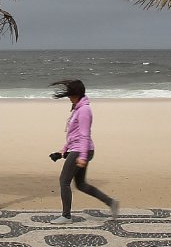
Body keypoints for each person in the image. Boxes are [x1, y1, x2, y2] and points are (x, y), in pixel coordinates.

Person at [49, 79, 119, 224]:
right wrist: (62, 151)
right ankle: (111, 203)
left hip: (82, 149)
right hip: (79, 149)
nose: (68, 97)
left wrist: (82, 156)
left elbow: (84, 134)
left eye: (70, 95)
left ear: (77, 94)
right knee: (81, 185)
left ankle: (66, 216)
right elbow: (73, 134)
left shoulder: (84, 110)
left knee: (64, 181)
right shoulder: (77, 108)